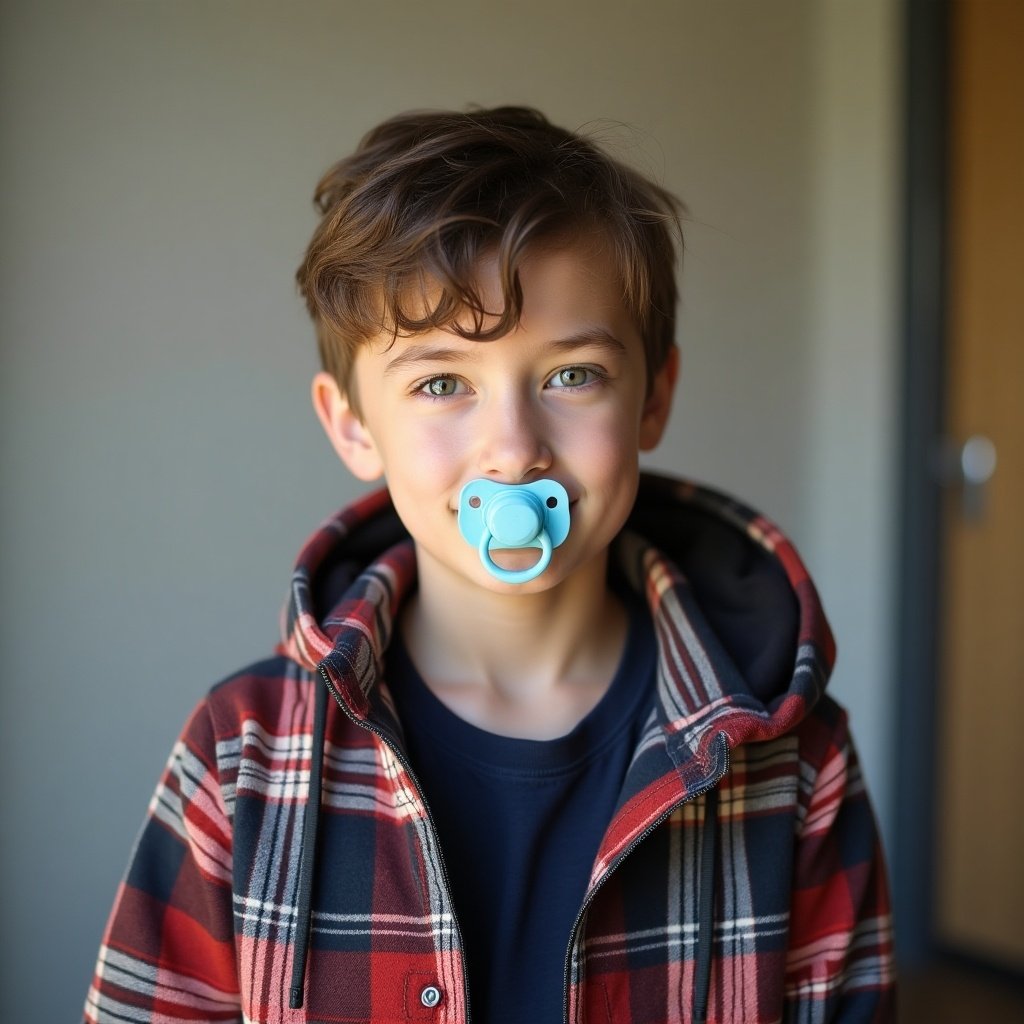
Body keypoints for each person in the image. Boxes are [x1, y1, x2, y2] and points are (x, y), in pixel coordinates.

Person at [84, 106, 894, 1024]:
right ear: (352, 423)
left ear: (653, 397)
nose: (514, 452)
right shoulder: (240, 758)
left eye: (572, 375)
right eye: (441, 384)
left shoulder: (795, 754)